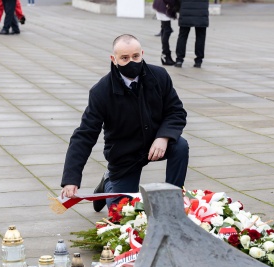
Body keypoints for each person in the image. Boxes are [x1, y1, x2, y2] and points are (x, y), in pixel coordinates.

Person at [61, 34, 189, 212]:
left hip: (154, 144)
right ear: (114, 59)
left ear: (142, 54)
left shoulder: (159, 76)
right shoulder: (101, 92)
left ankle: (171, 202)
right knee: (122, 212)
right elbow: (85, 134)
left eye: (136, 56)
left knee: (180, 146)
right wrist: (71, 179)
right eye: (125, 58)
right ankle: (108, 184)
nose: (132, 62)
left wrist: (164, 137)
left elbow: (176, 111)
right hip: (124, 156)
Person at [174, 0, 209, 68]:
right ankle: (198, 61)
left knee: (182, 36)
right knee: (200, 37)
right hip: (201, 13)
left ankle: (179, 60)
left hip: (185, 11)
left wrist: (178, 9)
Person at [152, 0, 179, 66]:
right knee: (166, 30)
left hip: (161, 6)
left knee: (164, 29)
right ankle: (165, 55)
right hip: (164, 7)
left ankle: (166, 55)